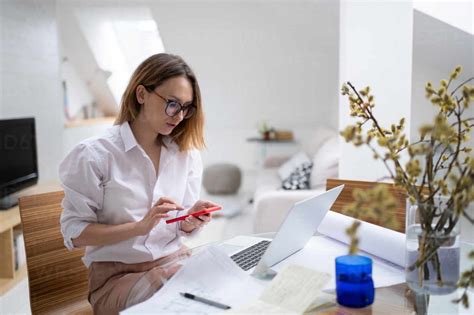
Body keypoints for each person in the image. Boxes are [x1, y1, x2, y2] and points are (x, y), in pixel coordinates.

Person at [59, 53, 219, 314]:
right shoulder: (94, 155)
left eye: (186, 107)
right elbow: (74, 232)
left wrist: (189, 220)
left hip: (173, 263)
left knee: (224, 278)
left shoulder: (185, 154)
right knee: (181, 298)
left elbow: (179, 225)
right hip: (115, 280)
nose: (179, 116)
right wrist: (138, 227)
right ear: (141, 94)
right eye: (172, 103)